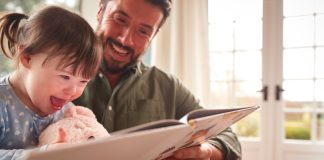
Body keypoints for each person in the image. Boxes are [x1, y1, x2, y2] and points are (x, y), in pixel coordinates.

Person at [74, 0, 241, 159]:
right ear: (100, 12)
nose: (125, 39)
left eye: (143, 31)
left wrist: (206, 151)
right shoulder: (55, 70)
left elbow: (229, 138)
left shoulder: (169, 87)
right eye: (120, 20)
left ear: (153, 35)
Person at [0, 6, 102, 160]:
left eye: (83, 81)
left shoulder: (67, 112)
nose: (73, 91)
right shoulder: (3, 103)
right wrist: (43, 155)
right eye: (65, 77)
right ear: (27, 58)